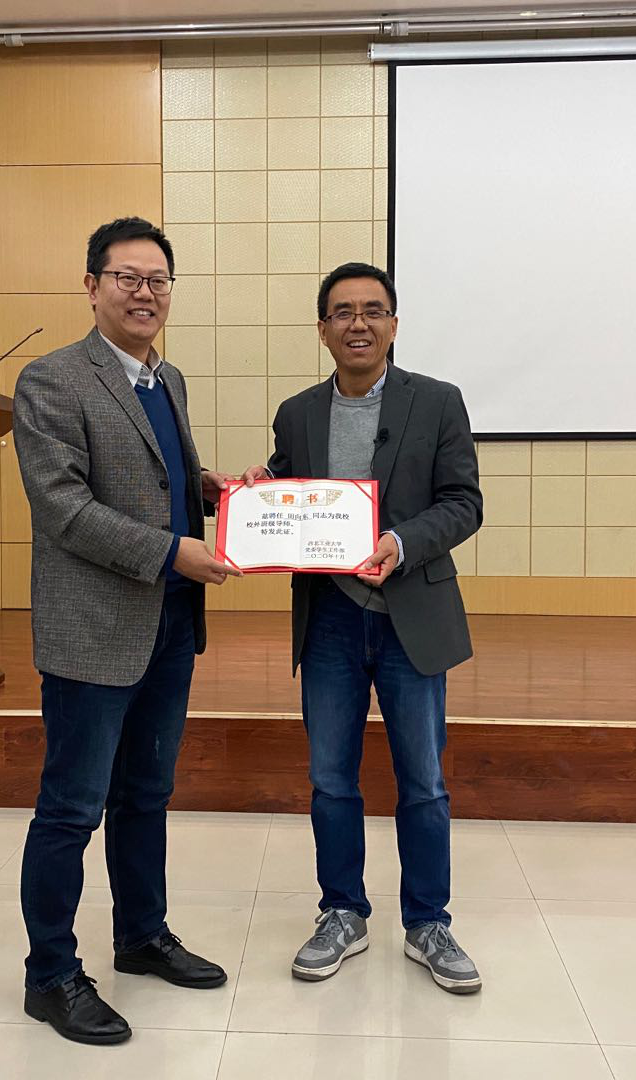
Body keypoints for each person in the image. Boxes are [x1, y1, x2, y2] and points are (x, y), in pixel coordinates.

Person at [13, 216, 241, 1045]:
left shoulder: (165, 377)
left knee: (146, 794)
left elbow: (151, 473)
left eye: (158, 281)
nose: (145, 294)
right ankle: (50, 975)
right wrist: (174, 551)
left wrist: (210, 489)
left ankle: (141, 935)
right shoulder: (51, 380)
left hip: (170, 623)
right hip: (93, 629)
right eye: (128, 278)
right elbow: (65, 508)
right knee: (72, 807)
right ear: (92, 286)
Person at [242, 261, 485, 994]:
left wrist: (401, 543)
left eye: (373, 311)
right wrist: (260, 496)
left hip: (411, 616)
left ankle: (428, 922)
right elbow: (290, 486)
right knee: (330, 779)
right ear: (323, 329)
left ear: (394, 325)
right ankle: (342, 912)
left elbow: (463, 503)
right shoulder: (297, 412)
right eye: (343, 312)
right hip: (330, 622)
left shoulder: (437, 402)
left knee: (424, 782)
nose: (358, 323)